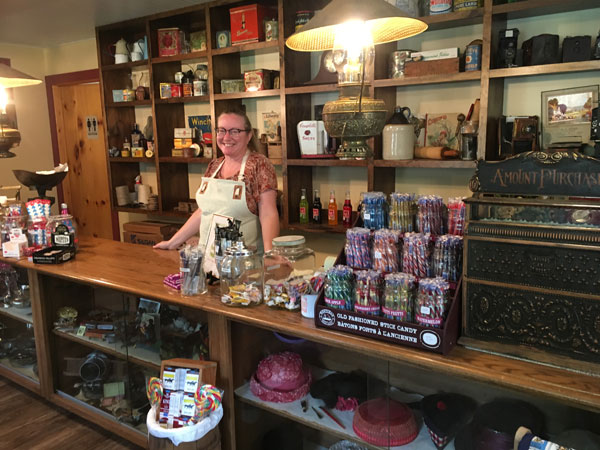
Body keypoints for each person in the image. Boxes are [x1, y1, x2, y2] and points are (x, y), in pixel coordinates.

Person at [153, 107, 279, 255]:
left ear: (249, 135)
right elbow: (204, 211)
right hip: (208, 261)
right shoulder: (214, 166)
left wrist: (271, 255)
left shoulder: (259, 165)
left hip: (243, 265)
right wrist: (172, 243)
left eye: (234, 131)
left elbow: (268, 213)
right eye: (221, 130)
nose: (226, 137)